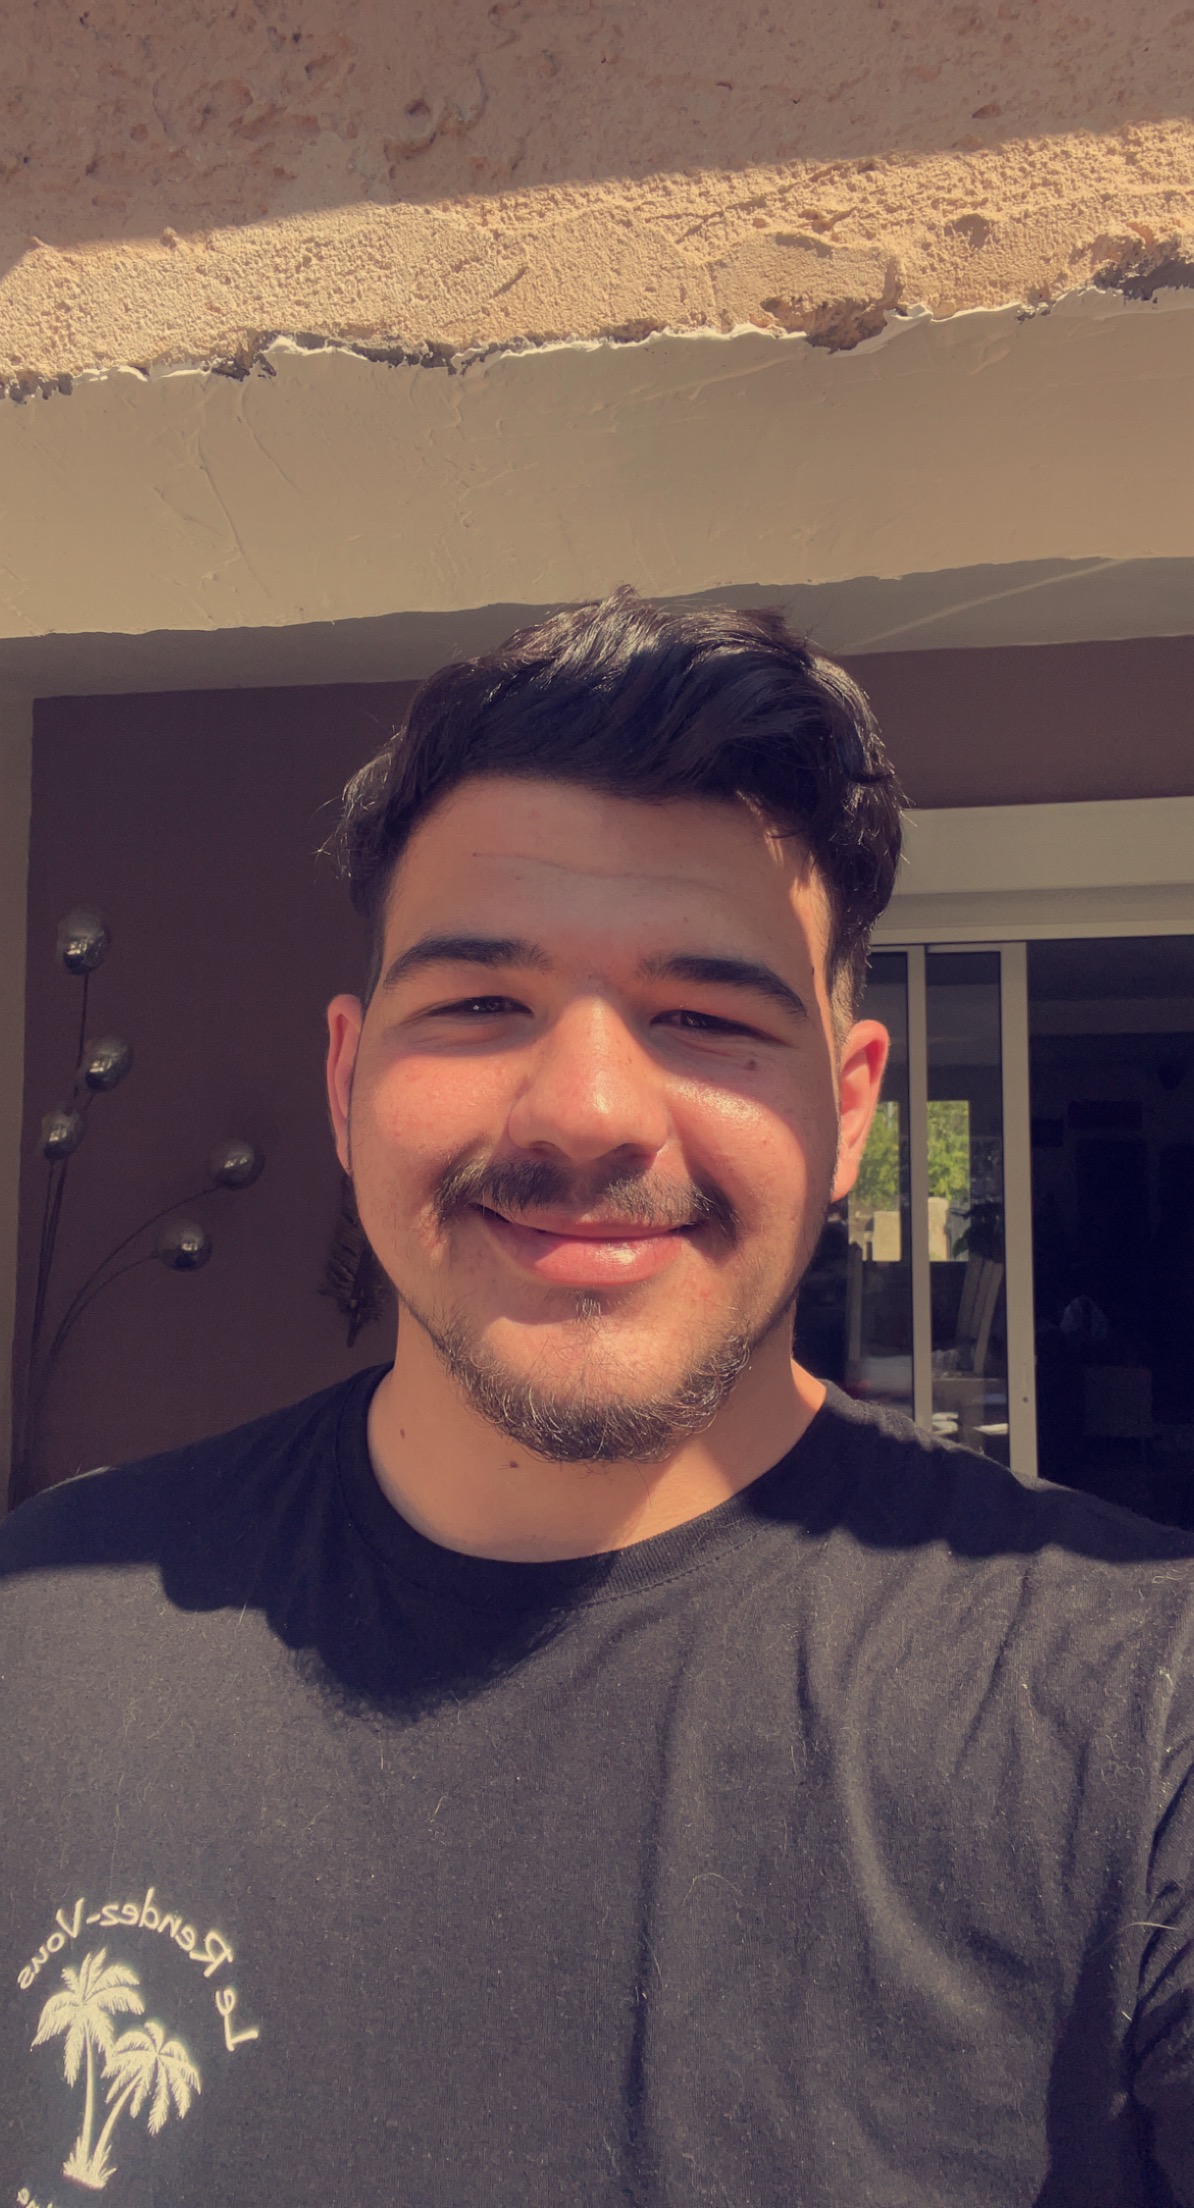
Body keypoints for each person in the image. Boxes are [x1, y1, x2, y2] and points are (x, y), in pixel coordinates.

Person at [1, 590, 1192, 2207]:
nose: (584, 1110)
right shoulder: (46, 1635)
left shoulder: (1136, 1716)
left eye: (704, 1016)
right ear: (347, 1083)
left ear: (849, 1112)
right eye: (479, 1003)